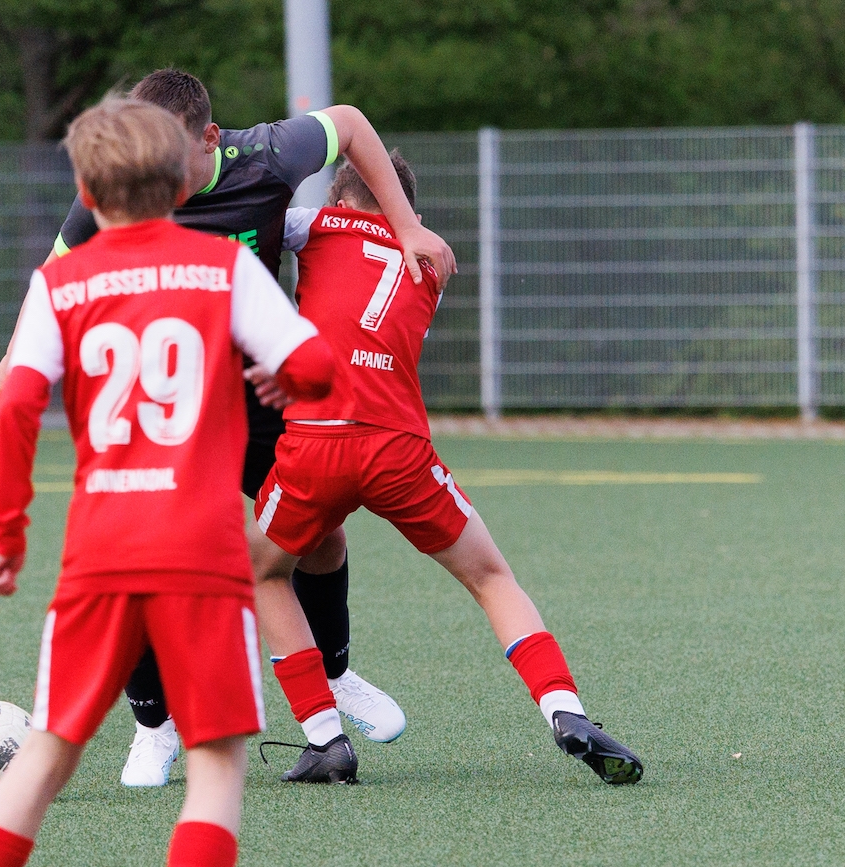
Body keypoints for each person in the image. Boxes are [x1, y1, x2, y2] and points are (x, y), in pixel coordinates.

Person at [0, 96, 334, 867]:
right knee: (217, 765)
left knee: (45, 755)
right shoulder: (225, 267)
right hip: (201, 555)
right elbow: (316, 370)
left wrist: (7, 535)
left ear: (87, 194)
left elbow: (17, 400)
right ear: (181, 181)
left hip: (99, 555)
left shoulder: (60, 283)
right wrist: (280, 373)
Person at [0, 69, 456, 787]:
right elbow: (53, 270)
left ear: (208, 139)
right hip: (175, 403)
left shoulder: (268, 156)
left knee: (319, 534)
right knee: (144, 553)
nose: (154, 172)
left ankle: (333, 676)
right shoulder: (121, 190)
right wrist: (15, 357)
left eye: (168, 155)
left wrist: (407, 226)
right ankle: (155, 727)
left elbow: (352, 124)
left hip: (259, 393)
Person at [249, 153, 644, 785]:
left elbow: (249, 216)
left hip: (318, 441)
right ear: (409, 214)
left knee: (265, 573)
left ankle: (324, 739)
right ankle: (564, 709)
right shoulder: (433, 261)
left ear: (341, 202)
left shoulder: (315, 224)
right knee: (491, 577)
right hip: (399, 447)